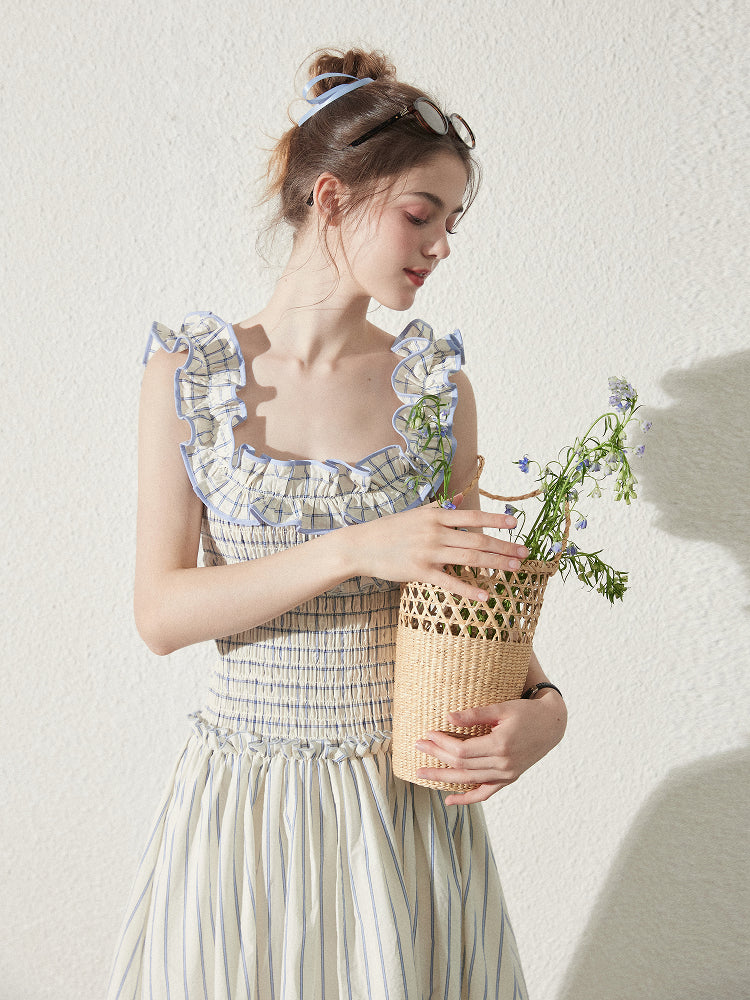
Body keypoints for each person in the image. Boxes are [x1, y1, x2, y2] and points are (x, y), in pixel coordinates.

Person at [107, 47, 567, 1000]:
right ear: (330, 199)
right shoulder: (189, 378)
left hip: (399, 818)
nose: (441, 246)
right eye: (420, 214)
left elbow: (478, 619)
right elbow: (161, 612)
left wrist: (543, 715)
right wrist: (358, 547)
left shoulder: (436, 389)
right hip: (246, 813)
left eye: (452, 222)